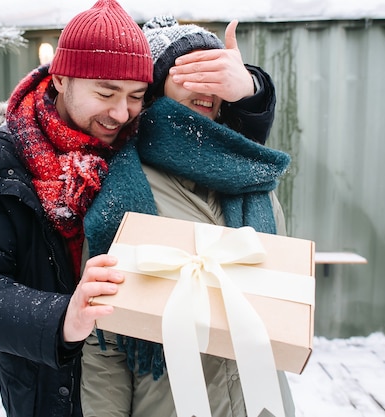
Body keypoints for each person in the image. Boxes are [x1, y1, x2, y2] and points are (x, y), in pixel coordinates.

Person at [0, 1, 153, 416]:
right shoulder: (1, 167)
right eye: (106, 93)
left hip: (143, 388)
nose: (121, 113)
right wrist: (60, 319)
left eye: (136, 96)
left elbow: (214, 144)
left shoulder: (144, 147)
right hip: (50, 394)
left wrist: (250, 92)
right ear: (61, 79)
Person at [81, 16, 295, 417]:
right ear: (156, 85)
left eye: (214, 71)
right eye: (189, 71)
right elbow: (104, 342)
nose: (206, 84)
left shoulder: (254, 180)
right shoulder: (125, 188)